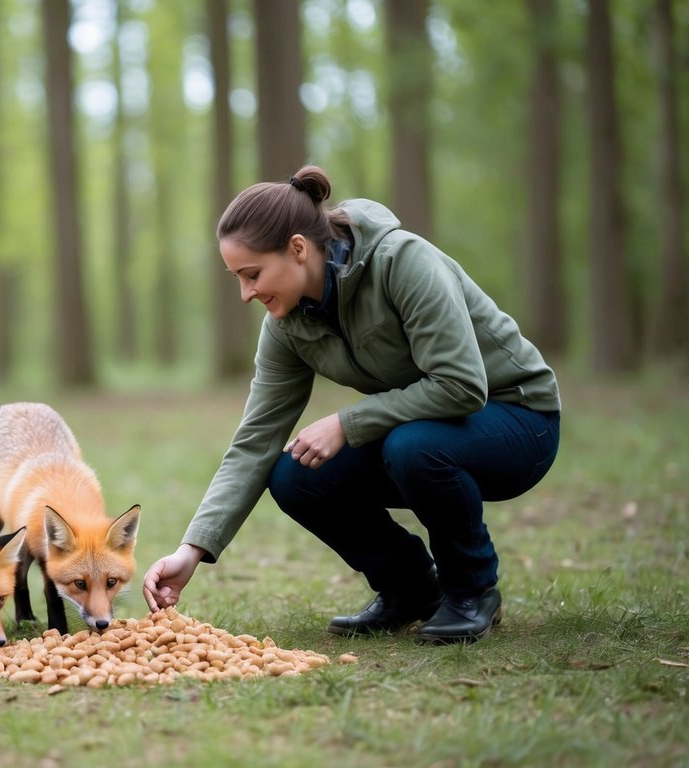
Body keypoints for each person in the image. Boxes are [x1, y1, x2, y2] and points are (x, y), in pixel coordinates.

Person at [142, 165, 561, 644]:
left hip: (520, 421)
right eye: (237, 278)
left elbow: (462, 385)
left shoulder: (403, 262)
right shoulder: (287, 324)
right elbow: (255, 441)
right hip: (425, 431)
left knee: (413, 445)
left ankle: (471, 591)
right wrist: (191, 550)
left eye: (253, 274)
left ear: (298, 248)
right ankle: (410, 589)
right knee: (295, 474)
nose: (245, 293)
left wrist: (348, 421)